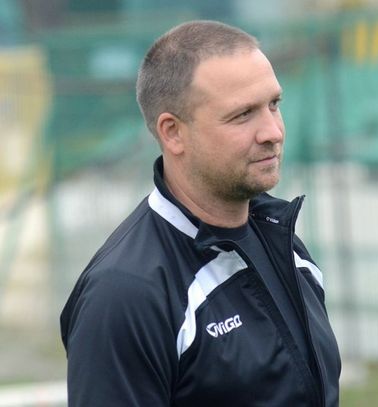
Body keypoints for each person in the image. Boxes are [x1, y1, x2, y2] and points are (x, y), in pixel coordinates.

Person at [60, 20, 341, 406]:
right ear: (173, 132)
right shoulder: (126, 293)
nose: (273, 132)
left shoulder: (284, 242)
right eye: (243, 115)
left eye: (274, 104)